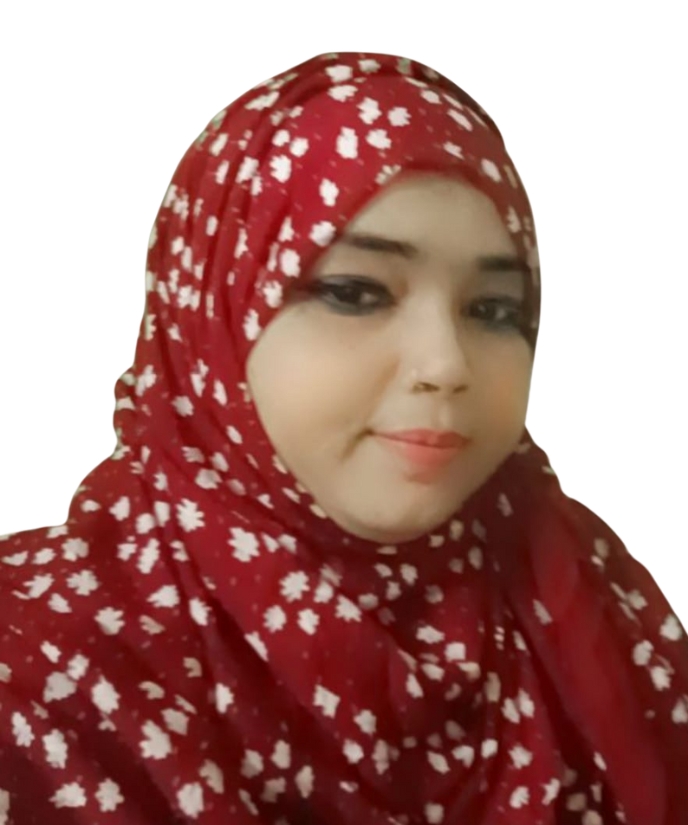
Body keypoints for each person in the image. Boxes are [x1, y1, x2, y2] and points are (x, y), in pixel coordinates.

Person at [0, 51, 686, 825]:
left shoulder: (591, 602)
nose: (447, 364)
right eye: (356, 292)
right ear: (211, 314)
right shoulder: (37, 665)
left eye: (494, 309)